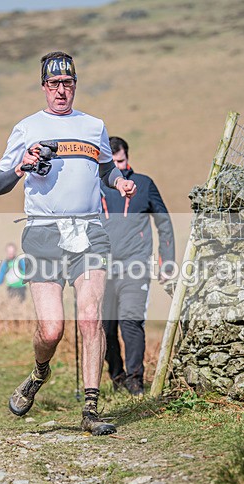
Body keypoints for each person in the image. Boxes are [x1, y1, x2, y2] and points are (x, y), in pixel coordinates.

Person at [0, 51, 136, 436]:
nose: (61, 91)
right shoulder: (26, 128)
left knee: (90, 317)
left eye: (67, 84)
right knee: (52, 330)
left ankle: (90, 410)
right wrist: (22, 165)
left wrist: (117, 181)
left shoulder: (94, 126)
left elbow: (104, 166)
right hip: (43, 233)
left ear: (75, 86)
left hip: (89, 231)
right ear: (43, 87)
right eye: (53, 84)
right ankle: (39, 373)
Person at [100, 136, 175, 396]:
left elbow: (163, 222)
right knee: (104, 328)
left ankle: (135, 380)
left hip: (135, 266)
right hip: (101, 268)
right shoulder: (96, 186)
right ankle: (117, 375)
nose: (118, 168)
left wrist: (167, 261)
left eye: (120, 161)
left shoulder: (143, 184)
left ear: (127, 158)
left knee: (130, 321)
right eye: (112, 163)